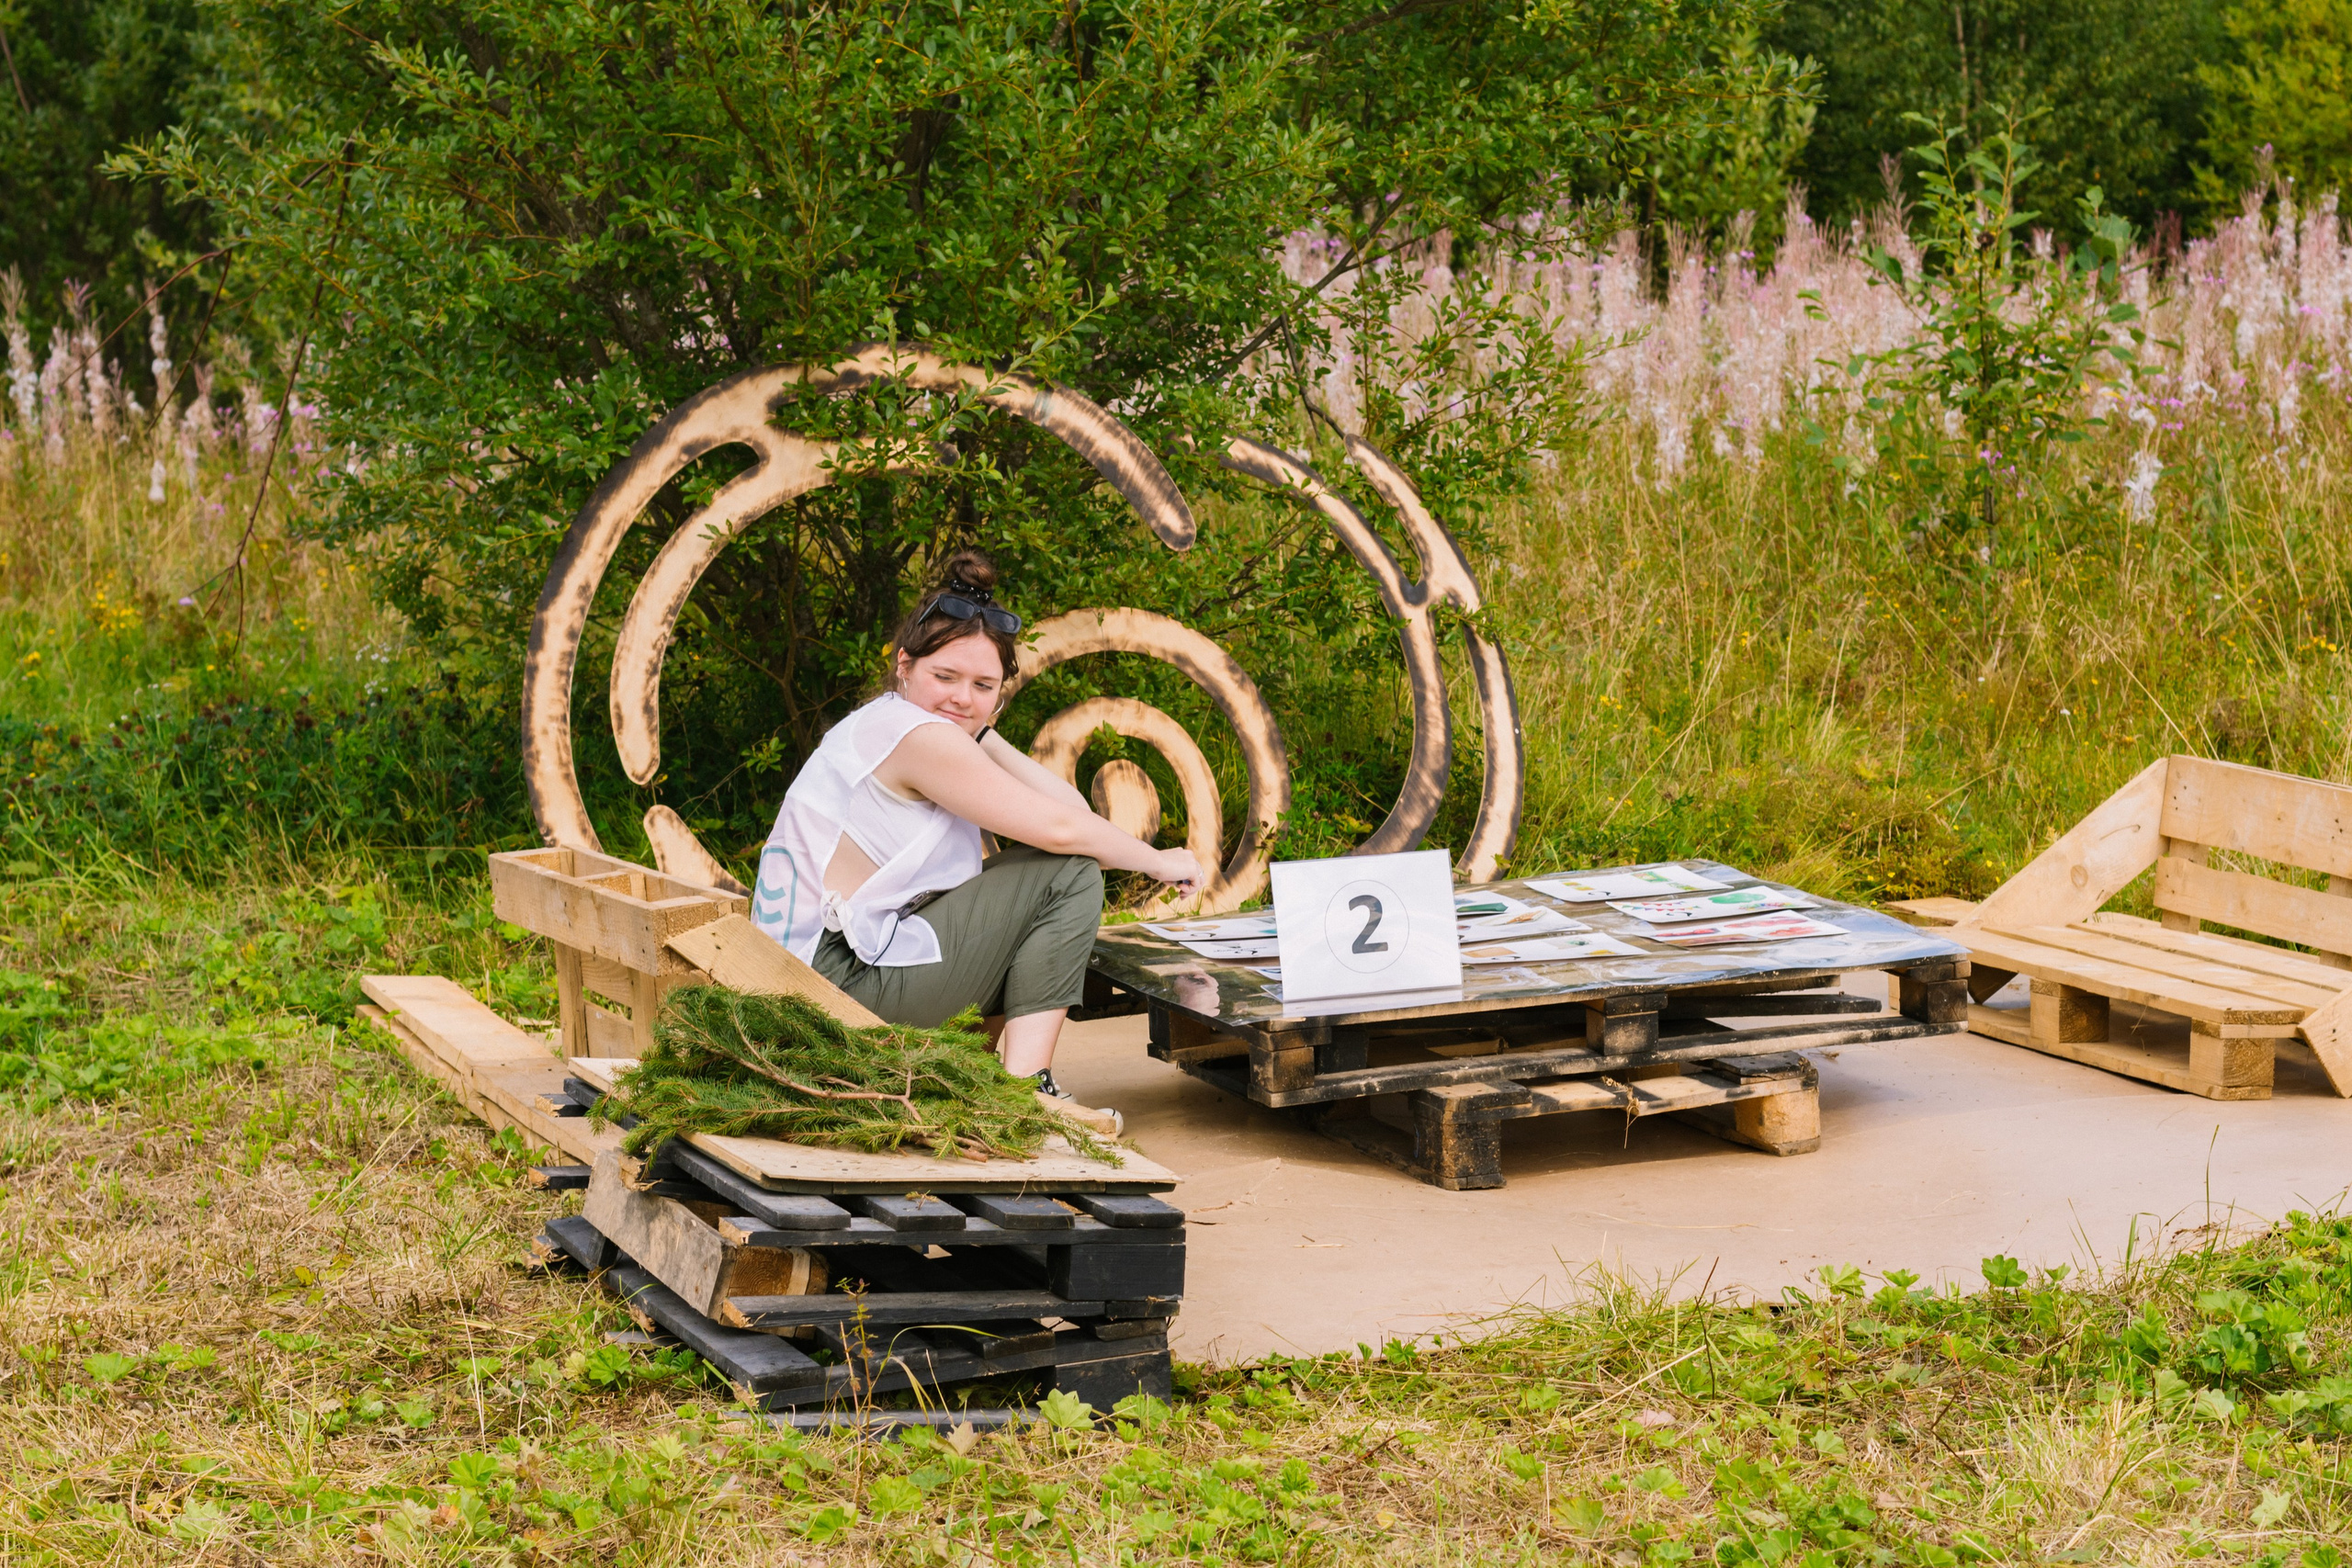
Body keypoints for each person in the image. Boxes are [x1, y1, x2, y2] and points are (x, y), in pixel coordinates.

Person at [748, 549, 1202, 1129]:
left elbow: (1071, 811)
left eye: (983, 685)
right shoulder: (915, 738)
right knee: (1066, 874)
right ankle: (1022, 1092)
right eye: (945, 677)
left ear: (1000, 694)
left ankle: (1003, 1085)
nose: (962, 697)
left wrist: (982, 732)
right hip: (835, 985)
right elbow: (1065, 831)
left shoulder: (906, 724)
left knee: (1054, 868)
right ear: (904, 664)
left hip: (824, 971)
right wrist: (1159, 862)